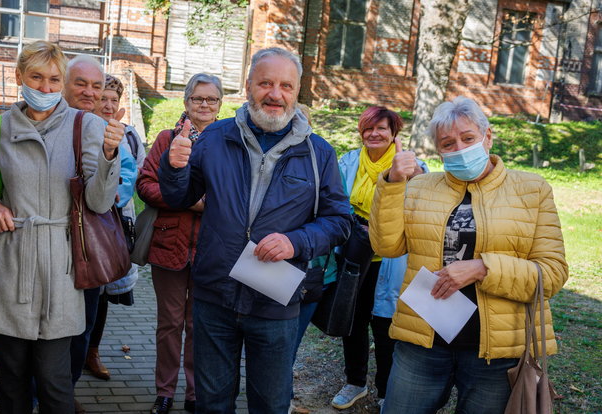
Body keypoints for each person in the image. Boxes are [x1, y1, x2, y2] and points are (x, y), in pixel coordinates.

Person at [160, 47, 351, 413]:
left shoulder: (318, 153)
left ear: (297, 91)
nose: (275, 94)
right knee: (212, 402)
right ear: (248, 86)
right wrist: (174, 166)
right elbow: (179, 195)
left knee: (270, 402)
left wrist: (296, 242)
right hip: (214, 295)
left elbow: (340, 221)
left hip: (274, 300)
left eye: (285, 85)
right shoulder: (215, 137)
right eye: (265, 83)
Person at [370, 97, 568, 413]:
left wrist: (482, 268)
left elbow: (552, 272)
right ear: (438, 150)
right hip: (423, 340)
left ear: (487, 137)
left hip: (496, 352)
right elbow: (386, 246)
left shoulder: (532, 189)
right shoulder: (420, 187)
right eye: (448, 143)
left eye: (468, 138)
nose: (459, 148)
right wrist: (393, 184)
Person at [0, 41, 122, 414]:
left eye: (55, 79)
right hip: (11, 263)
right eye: (36, 77)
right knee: (12, 381)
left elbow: (99, 202)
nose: (45, 87)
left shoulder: (87, 125)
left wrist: (108, 156)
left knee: (55, 384)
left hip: (61, 267)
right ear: (19, 76)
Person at [137, 73, 224, 414]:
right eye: (198, 98)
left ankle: (194, 393)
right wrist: (187, 200)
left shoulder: (227, 142)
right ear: (187, 102)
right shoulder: (166, 138)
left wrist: (210, 204)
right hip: (168, 245)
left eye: (211, 99)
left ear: (219, 105)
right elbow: (145, 184)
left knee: (198, 324)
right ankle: (164, 392)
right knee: (169, 324)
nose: (204, 104)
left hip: (209, 249)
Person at [330, 106, 428, 410]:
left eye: (382, 129)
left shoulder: (410, 164)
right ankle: (355, 382)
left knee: (386, 323)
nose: (374, 134)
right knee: (353, 319)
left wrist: (413, 173)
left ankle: (387, 391)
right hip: (354, 253)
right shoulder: (348, 161)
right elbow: (333, 198)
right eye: (368, 129)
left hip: (391, 256)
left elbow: (425, 190)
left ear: (394, 133)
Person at [60, 56, 135, 412]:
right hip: (49, 246)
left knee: (83, 324)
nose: (94, 96)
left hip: (91, 243)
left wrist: (112, 158)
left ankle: (65, 390)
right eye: (84, 86)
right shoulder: (47, 124)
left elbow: (122, 184)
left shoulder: (115, 134)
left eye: (100, 90)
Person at [84, 74, 146, 381]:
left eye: (114, 100)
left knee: (105, 292)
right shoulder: (80, 130)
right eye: (103, 98)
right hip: (86, 222)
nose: (108, 105)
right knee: (85, 291)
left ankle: (91, 353)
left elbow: (141, 178)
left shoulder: (131, 136)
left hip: (117, 225)